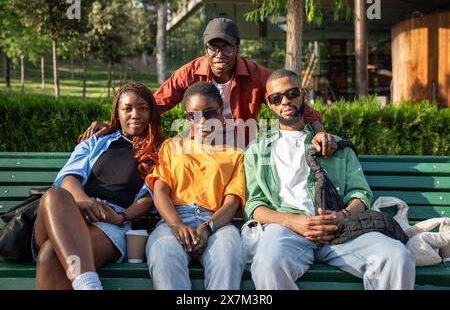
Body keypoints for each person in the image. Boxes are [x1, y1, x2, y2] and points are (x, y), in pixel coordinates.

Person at [243, 69, 416, 290]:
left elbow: (360, 193)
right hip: (286, 230)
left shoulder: (334, 145)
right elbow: (254, 205)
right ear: (269, 104)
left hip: (341, 230)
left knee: (397, 257)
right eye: (276, 98)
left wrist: (342, 216)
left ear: (304, 94)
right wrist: (293, 221)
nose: (285, 101)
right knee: (268, 265)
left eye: (292, 93)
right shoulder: (257, 152)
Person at [80, 18, 336, 156]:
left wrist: (318, 131)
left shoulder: (257, 75)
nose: (219, 53)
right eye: (213, 46)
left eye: (226, 46)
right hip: (200, 148)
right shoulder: (190, 72)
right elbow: (156, 104)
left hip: (240, 150)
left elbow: (291, 102)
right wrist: (113, 125)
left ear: (236, 48)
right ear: (206, 49)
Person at [33, 82, 164, 290]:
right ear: (117, 113)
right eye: (127, 108)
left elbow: (149, 197)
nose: (135, 114)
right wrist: (84, 201)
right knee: (54, 195)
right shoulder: (97, 142)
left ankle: (87, 284)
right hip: (68, 214)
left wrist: (121, 217)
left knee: (50, 256)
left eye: (143, 108)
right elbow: (69, 177)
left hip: (110, 224)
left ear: (152, 113)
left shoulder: (161, 152)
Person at [145, 81, 245, 290]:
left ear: (221, 116)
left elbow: (232, 203)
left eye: (209, 113)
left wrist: (208, 228)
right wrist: (176, 225)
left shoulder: (235, 155)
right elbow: (160, 191)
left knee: (227, 256)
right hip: (174, 219)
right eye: (194, 116)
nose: (202, 121)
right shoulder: (172, 147)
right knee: (163, 254)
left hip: (216, 222)